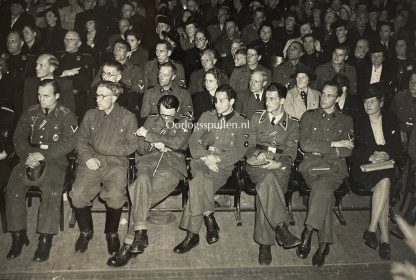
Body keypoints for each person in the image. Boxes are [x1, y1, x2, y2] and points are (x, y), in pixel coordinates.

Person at [107, 95, 192, 267]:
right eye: (162, 114)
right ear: (159, 108)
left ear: (177, 110)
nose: (164, 118)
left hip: (171, 166)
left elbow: (177, 142)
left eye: (169, 115)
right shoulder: (152, 119)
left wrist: (152, 136)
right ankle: (139, 233)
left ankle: (131, 241)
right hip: (147, 161)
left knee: (139, 195)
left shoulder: (185, 121)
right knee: (142, 180)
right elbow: (140, 146)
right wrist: (152, 144)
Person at [5, 79, 78, 262]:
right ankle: (18, 235)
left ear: (57, 96)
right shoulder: (30, 113)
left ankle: (45, 239)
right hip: (29, 157)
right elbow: (18, 138)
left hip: (55, 160)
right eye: (39, 94)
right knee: (13, 188)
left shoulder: (66, 115)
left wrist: (43, 155)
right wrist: (30, 155)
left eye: (46, 96)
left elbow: (69, 143)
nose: (41, 99)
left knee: (51, 191)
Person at [173, 84, 250, 254]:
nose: (217, 104)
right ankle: (208, 219)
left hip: (221, 167)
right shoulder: (207, 116)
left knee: (198, 185)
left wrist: (218, 159)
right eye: (216, 100)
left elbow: (240, 150)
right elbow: (193, 141)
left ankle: (193, 234)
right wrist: (206, 157)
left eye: (222, 100)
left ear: (232, 101)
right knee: (200, 179)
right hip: (201, 161)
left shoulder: (241, 121)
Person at [69, 81, 138, 256]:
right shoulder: (91, 115)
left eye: (103, 96)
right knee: (77, 194)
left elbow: (132, 145)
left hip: (116, 163)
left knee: (115, 195)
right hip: (92, 161)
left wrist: (106, 148)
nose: (98, 100)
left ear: (114, 97)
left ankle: (111, 233)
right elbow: (80, 141)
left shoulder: (127, 117)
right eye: (97, 95)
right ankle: (86, 231)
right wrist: (88, 157)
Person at [296, 80, 354, 267]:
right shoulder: (308, 116)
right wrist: (334, 144)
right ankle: (324, 243)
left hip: (334, 169)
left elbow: (348, 151)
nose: (324, 98)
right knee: (325, 192)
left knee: (323, 189)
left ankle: (308, 231)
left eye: (330, 95)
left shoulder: (346, 120)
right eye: (323, 93)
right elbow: (305, 145)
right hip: (312, 167)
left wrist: (320, 148)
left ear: (337, 98)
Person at [245, 82, 301, 265]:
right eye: (265, 98)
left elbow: (291, 152)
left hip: (279, 167)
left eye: (271, 99)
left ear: (282, 100)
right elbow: (249, 145)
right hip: (257, 163)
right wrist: (257, 153)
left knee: (266, 188)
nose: (266, 102)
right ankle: (281, 228)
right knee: (266, 180)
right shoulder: (256, 118)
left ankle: (265, 243)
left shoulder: (292, 124)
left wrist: (278, 163)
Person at [350, 83, 402, 260]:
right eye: (365, 102)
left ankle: (372, 230)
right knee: (385, 184)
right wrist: (371, 156)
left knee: (385, 180)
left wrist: (386, 153)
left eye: (372, 102)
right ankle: (383, 237)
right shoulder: (358, 119)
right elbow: (353, 149)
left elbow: (398, 147)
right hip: (365, 167)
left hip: (386, 163)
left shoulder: (390, 118)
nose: (368, 105)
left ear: (381, 103)